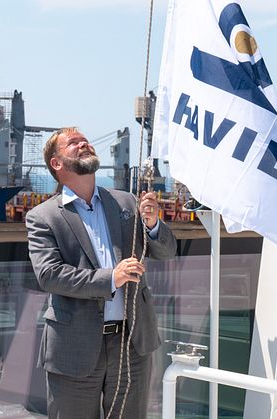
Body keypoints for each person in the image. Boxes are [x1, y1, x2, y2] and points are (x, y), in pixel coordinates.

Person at [25, 127, 177, 419]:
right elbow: (49, 275)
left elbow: (166, 252)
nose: (84, 144)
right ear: (56, 164)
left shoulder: (127, 203)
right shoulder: (42, 217)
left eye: (86, 140)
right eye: (73, 143)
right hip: (74, 348)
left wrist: (154, 223)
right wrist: (111, 278)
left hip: (132, 344)